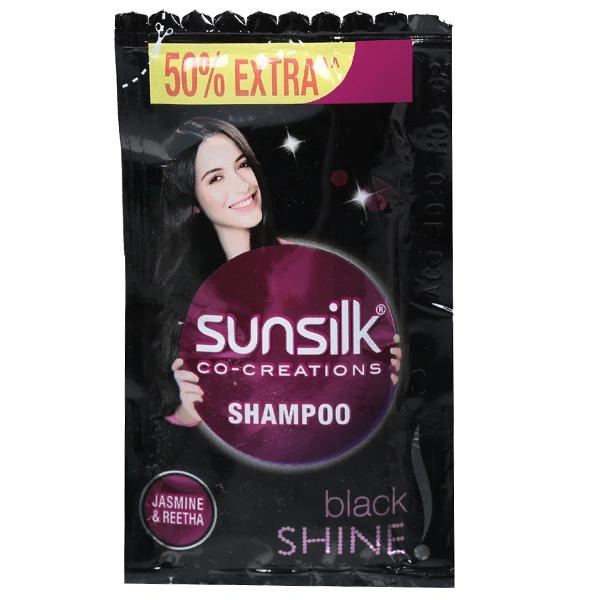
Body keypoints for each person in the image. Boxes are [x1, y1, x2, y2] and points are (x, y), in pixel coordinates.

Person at [153, 117, 401, 428]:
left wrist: (383, 370)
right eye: (216, 178)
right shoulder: (180, 295)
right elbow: (166, 417)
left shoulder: (310, 267)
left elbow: (353, 367)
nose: (243, 185)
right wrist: (187, 412)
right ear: (193, 202)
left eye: (243, 165)